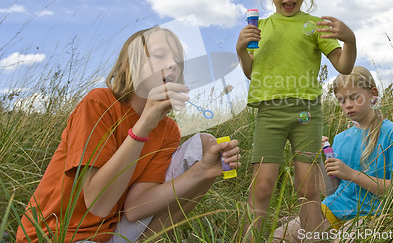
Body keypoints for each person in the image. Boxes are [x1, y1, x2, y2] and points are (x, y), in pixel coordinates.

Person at [17, 26, 241, 243]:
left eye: (177, 61)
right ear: (128, 67)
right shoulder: (99, 104)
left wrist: (202, 172)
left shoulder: (168, 129)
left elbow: (136, 208)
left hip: (111, 232)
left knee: (205, 145)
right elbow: (99, 204)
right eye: (160, 56)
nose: (173, 64)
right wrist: (144, 126)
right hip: (56, 234)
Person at [236, 0, 357, 241]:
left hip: (307, 113)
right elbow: (253, 73)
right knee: (262, 185)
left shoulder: (315, 26)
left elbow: (344, 65)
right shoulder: (260, 28)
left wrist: (350, 38)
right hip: (270, 114)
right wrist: (241, 50)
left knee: (308, 188)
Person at [273, 66, 393, 242]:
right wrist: (315, 160)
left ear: (372, 94)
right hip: (333, 208)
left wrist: (350, 174)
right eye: (341, 99)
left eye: (354, 97)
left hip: (370, 214)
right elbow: (330, 190)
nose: (347, 105)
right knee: (280, 237)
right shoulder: (340, 138)